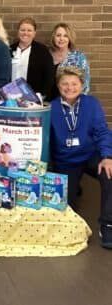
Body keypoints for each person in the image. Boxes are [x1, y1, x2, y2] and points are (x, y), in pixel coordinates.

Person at [50, 66, 112, 248]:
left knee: (110, 173)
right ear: (58, 85)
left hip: (90, 155)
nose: (70, 88)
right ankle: (74, 190)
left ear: (81, 85)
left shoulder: (91, 104)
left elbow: (102, 131)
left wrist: (107, 156)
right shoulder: (51, 107)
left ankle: (108, 224)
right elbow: (46, 140)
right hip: (65, 161)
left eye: (74, 84)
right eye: (65, 84)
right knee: (67, 208)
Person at [10, 17, 54, 100]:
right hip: (11, 97)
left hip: (33, 98)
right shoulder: (10, 49)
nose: (25, 33)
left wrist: (41, 95)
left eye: (29, 30)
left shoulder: (42, 51)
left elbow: (49, 77)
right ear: (18, 32)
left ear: (34, 33)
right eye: (22, 30)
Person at [49, 22, 90, 100]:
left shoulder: (79, 57)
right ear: (53, 37)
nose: (61, 39)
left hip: (70, 102)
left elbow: (85, 84)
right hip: (47, 102)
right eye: (58, 35)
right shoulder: (46, 55)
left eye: (65, 36)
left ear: (69, 38)